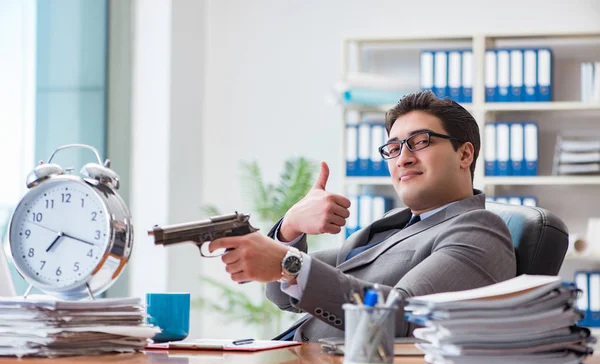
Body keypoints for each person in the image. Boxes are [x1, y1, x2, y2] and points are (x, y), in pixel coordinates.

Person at [209, 90, 517, 342]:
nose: (404, 158)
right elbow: (283, 296)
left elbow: (402, 313)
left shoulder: (479, 230)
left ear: (465, 154)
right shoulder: (391, 225)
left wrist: (290, 263)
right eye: (393, 148)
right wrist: (290, 228)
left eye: (420, 141)